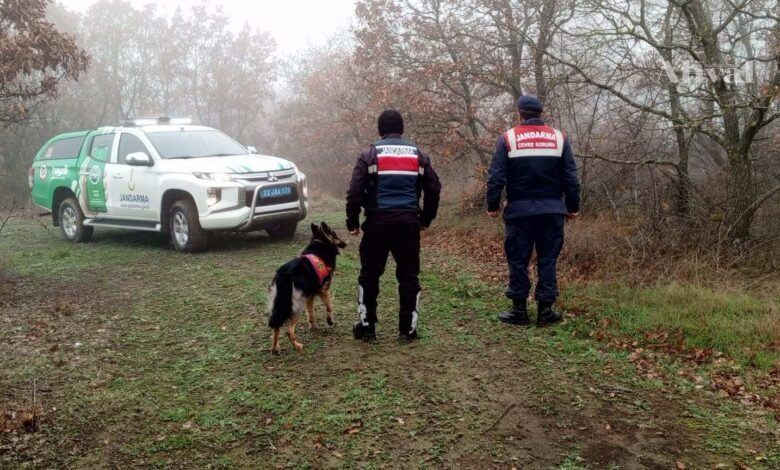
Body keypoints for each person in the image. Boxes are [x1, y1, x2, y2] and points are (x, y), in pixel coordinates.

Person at [346, 110, 442, 342]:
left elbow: (354, 192)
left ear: (380, 130)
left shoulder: (369, 154)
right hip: (408, 224)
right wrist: (425, 220)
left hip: (377, 223)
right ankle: (407, 330)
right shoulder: (419, 154)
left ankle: (367, 327)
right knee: (409, 276)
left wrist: (353, 221)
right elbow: (434, 188)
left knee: (369, 275)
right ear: (402, 129)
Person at [486, 96, 581, 327]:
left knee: (518, 260)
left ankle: (519, 311)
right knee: (547, 259)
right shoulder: (560, 138)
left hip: (519, 211)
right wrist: (573, 206)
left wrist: (492, 205)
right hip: (552, 211)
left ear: (520, 114)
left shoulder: (508, 138)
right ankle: (545, 311)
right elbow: (571, 178)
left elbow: (496, 177)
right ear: (541, 114)